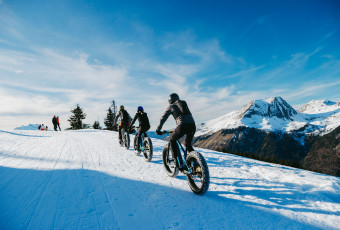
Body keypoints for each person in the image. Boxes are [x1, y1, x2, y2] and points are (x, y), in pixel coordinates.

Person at [156, 93, 196, 170]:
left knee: (172, 140)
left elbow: (163, 118)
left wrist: (158, 129)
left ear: (170, 101)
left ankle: (177, 162)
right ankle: (195, 162)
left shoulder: (171, 107)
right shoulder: (183, 104)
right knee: (188, 145)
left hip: (182, 126)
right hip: (192, 125)